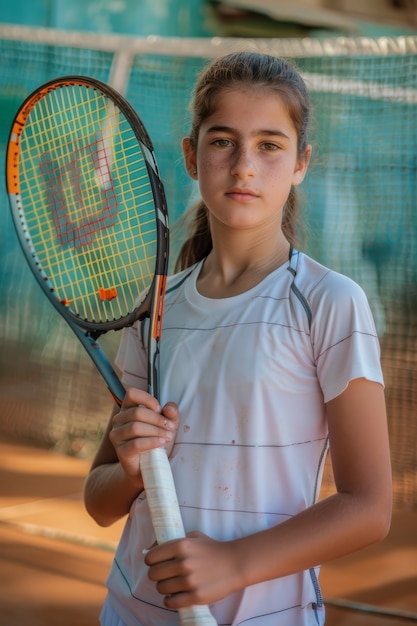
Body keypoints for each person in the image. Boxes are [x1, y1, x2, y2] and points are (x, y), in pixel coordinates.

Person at [83, 51, 392, 626]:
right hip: (132, 611)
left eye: (270, 145)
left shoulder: (329, 303)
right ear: (191, 157)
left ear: (301, 162)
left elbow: (369, 507)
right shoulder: (155, 309)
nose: (244, 164)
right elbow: (99, 502)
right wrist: (128, 466)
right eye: (222, 141)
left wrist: (235, 563)